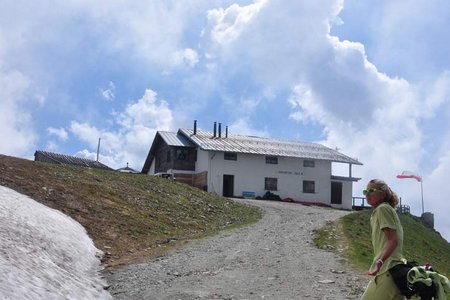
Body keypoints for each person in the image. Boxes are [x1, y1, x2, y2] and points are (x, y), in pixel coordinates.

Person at [361, 179, 407, 300]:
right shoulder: (385, 209)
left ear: (382, 194)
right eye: (365, 191)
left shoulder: (382, 209)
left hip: (387, 270)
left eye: (371, 191)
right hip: (395, 270)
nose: (367, 194)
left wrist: (379, 262)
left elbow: (393, 240)